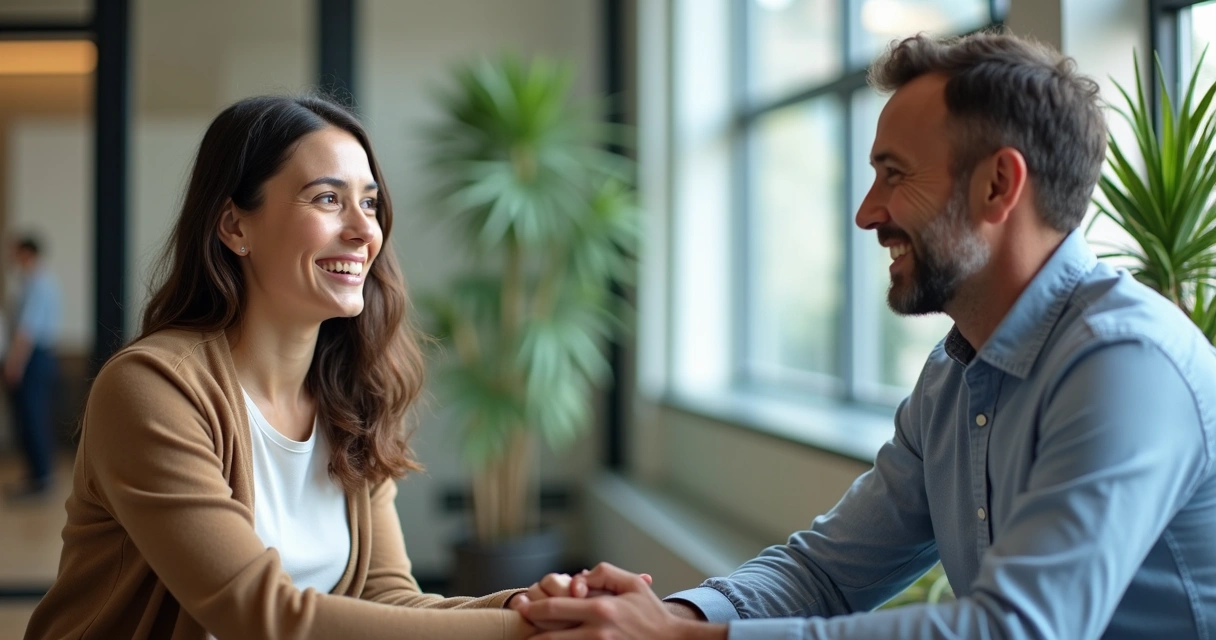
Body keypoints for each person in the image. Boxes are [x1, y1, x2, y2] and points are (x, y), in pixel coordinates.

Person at [511, 30, 1216, 640]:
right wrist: (677, 619)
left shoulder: (1126, 364)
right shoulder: (955, 374)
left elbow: (1016, 629)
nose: (866, 212)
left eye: (893, 175)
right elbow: (826, 573)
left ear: (999, 186)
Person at [24, 94, 573, 640]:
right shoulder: (151, 388)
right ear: (235, 227)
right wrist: (525, 630)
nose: (365, 231)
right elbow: (257, 612)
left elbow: (388, 596)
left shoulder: (354, 395)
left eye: (370, 202)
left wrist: (534, 606)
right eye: (328, 199)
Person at [3, 235, 61, 501]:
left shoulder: (38, 284)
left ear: (27, 253)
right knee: (29, 417)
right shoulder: (32, 283)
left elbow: (27, 331)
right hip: (36, 357)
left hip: (33, 358)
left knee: (33, 416)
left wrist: (15, 363)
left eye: (15, 252)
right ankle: (37, 475)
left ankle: (41, 478)